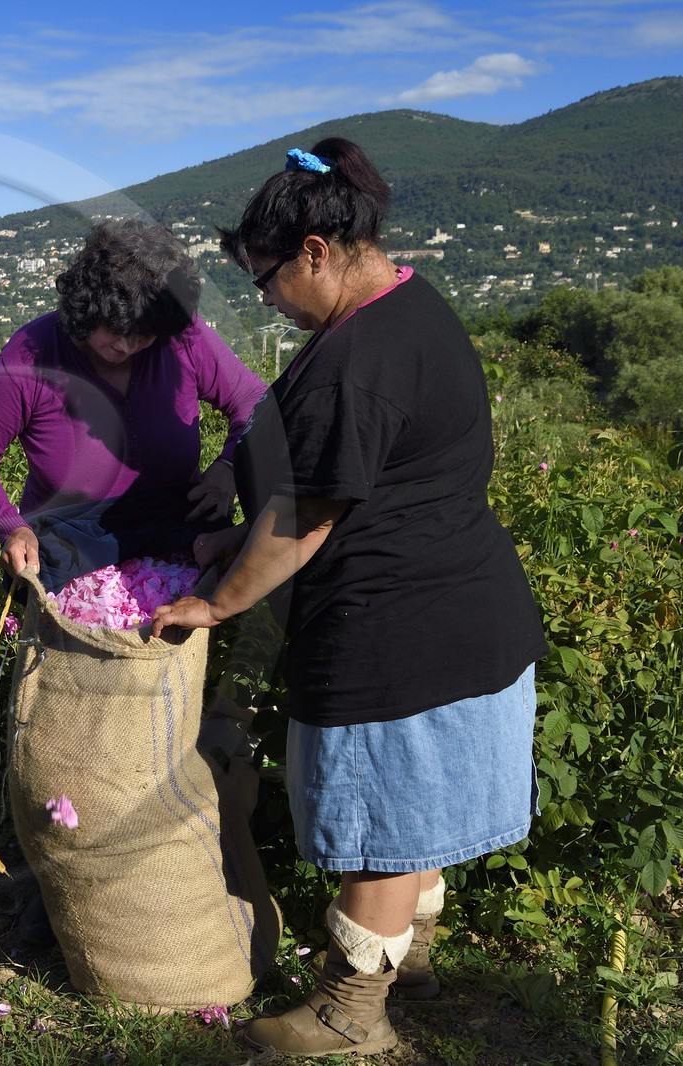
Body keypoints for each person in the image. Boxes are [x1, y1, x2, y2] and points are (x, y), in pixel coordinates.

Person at [151, 139, 547, 1057]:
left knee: (379, 825)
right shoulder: (400, 306)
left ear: (318, 252)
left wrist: (217, 601)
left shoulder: (356, 358)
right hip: (464, 608)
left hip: (395, 630)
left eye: (268, 282)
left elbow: (302, 520)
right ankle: (412, 956)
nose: (270, 302)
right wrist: (226, 512)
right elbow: (301, 435)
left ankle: (347, 1012)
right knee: (422, 806)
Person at [0, 218, 265, 579]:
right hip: (67, 554)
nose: (126, 346)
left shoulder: (182, 338)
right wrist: (13, 529)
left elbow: (253, 401)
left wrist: (228, 469)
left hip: (179, 543)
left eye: (144, 335)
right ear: (87, 308)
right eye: (116, 329)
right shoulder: (32, 354)